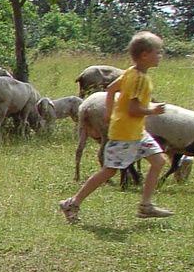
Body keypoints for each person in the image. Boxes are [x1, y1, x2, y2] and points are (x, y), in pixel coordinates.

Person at [61, 31, 174, 223]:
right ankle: (72, 202)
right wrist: (152, 110)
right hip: (126, 134)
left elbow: (111, 88)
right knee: (109, 171)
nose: (160, 56)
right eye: (157, 52)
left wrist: (109, 112)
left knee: (158, 162)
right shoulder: (139, 79)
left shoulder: (130, 72)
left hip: (137, 132)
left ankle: (146, 205)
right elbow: (133, 108)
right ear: (145, 55)